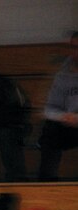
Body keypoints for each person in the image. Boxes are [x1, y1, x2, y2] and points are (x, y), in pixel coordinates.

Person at [38, 31, 78, 181]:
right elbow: (49, 109)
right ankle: (47, 182)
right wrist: (63, 116)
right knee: (50, 131)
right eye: (74, 47)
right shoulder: (62, 75)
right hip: (69, 123)